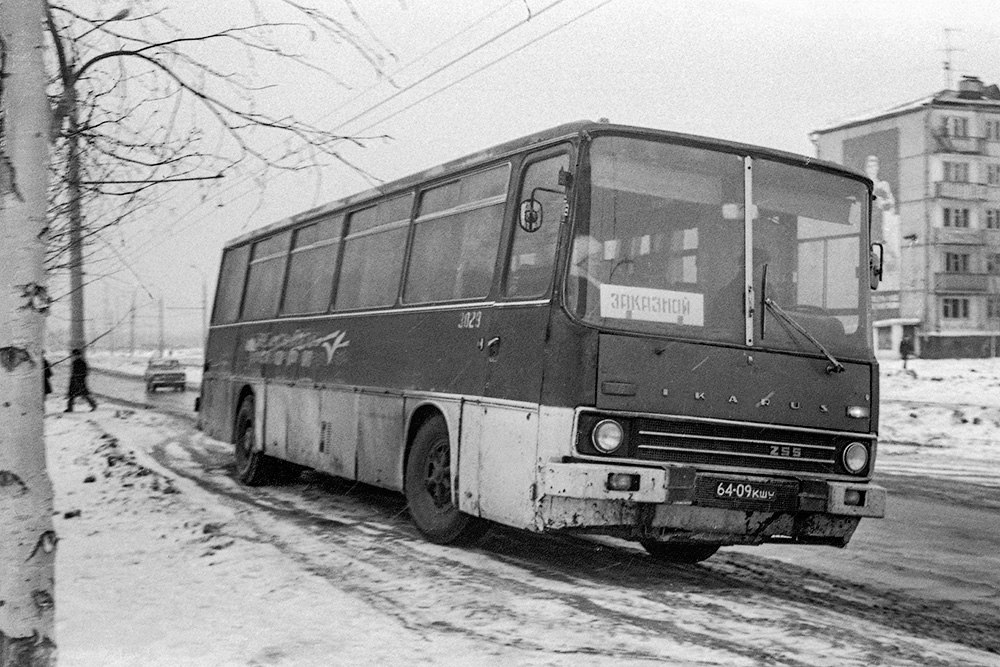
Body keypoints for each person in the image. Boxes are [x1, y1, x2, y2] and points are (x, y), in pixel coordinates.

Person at [65, 348, 97, 412]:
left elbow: (85, 372)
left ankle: (93, 405)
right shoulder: (78, 362)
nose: (74, 356)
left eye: (75, 355)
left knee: (82, 394)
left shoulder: (80, 362)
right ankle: (70, 408)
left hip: (78, 381)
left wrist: (79, 377)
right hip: (76, 380)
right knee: (75, 395)